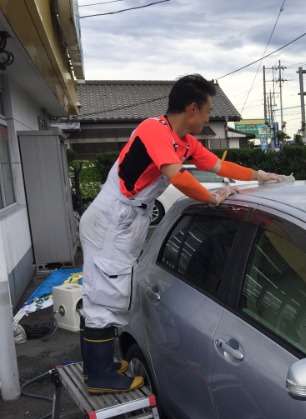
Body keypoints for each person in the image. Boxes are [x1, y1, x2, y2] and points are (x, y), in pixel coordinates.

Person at [79, 74, 284, 394]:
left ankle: (100, 364)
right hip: (111, 221)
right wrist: (212, 197)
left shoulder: (184, 143)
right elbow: (176, 177)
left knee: (111, 292)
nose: (209, 115)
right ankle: (99, 375)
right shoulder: (154, 130)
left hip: (124, 221)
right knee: (104, 296)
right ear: (191, 108)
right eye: (207, 110)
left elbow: (219, 166)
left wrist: (262, 176)